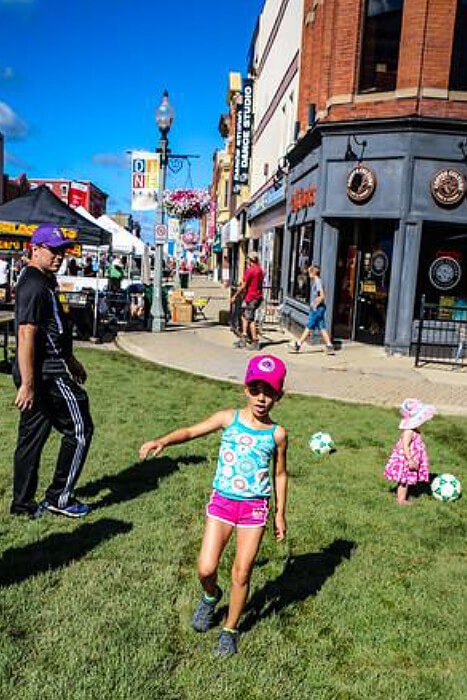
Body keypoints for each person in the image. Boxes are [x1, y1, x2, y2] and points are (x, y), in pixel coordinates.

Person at [139, 354, 288, 656]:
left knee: (241, 572)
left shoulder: (278, 434)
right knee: (206, 568)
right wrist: (163, 441)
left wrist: (280, 514)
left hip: (254, 509)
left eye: (269, 391)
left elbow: (280, 474)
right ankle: (211, 597)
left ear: (279, 396)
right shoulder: (227, 419)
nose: (261, 398)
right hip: (222, 502)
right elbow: (192, 431)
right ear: (246, 388)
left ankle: (230, 630)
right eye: (256, 389)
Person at [11, 224, 94, 518]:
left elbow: (52, 329)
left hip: (49, 369)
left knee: (32, 437)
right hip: (45, 374)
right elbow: (25, 334)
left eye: (62, 250)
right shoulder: (34, 283)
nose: (60, 256)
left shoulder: (45, 279)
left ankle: (22, 506)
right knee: (80, 429)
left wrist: (72, 360)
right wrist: (29, 384)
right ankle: (59, 498)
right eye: (53, 250)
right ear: (35, 249)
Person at [384, 399, 436, 506]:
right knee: (404, 480)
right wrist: (410, 459)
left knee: (406, 479)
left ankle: (400, 495)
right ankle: (401, 500)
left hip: (410, 457)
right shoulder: (409, 431)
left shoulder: (413, 429)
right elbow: (405, 445)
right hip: (406, 459)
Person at [291, 264, 334, 355]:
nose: (308, 274)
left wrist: (315, 305)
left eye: (310, 272)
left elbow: (322, 296)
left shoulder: (318, 282)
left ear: (314, 272)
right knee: (322, 328)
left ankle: (298, 345)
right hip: (320, 308)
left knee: (309, 326)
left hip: (317, 309)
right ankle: (329, 346)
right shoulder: (317, 281)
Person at [231, 251, 264, 351]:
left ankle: (255, 341)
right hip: (256, 297)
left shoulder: (250, 271)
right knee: (244, 316)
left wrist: (235, 296)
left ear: (250, 260)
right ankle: (244, 338)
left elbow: (244, 285)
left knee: (250, 320)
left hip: (251, 297)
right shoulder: (260, 270)